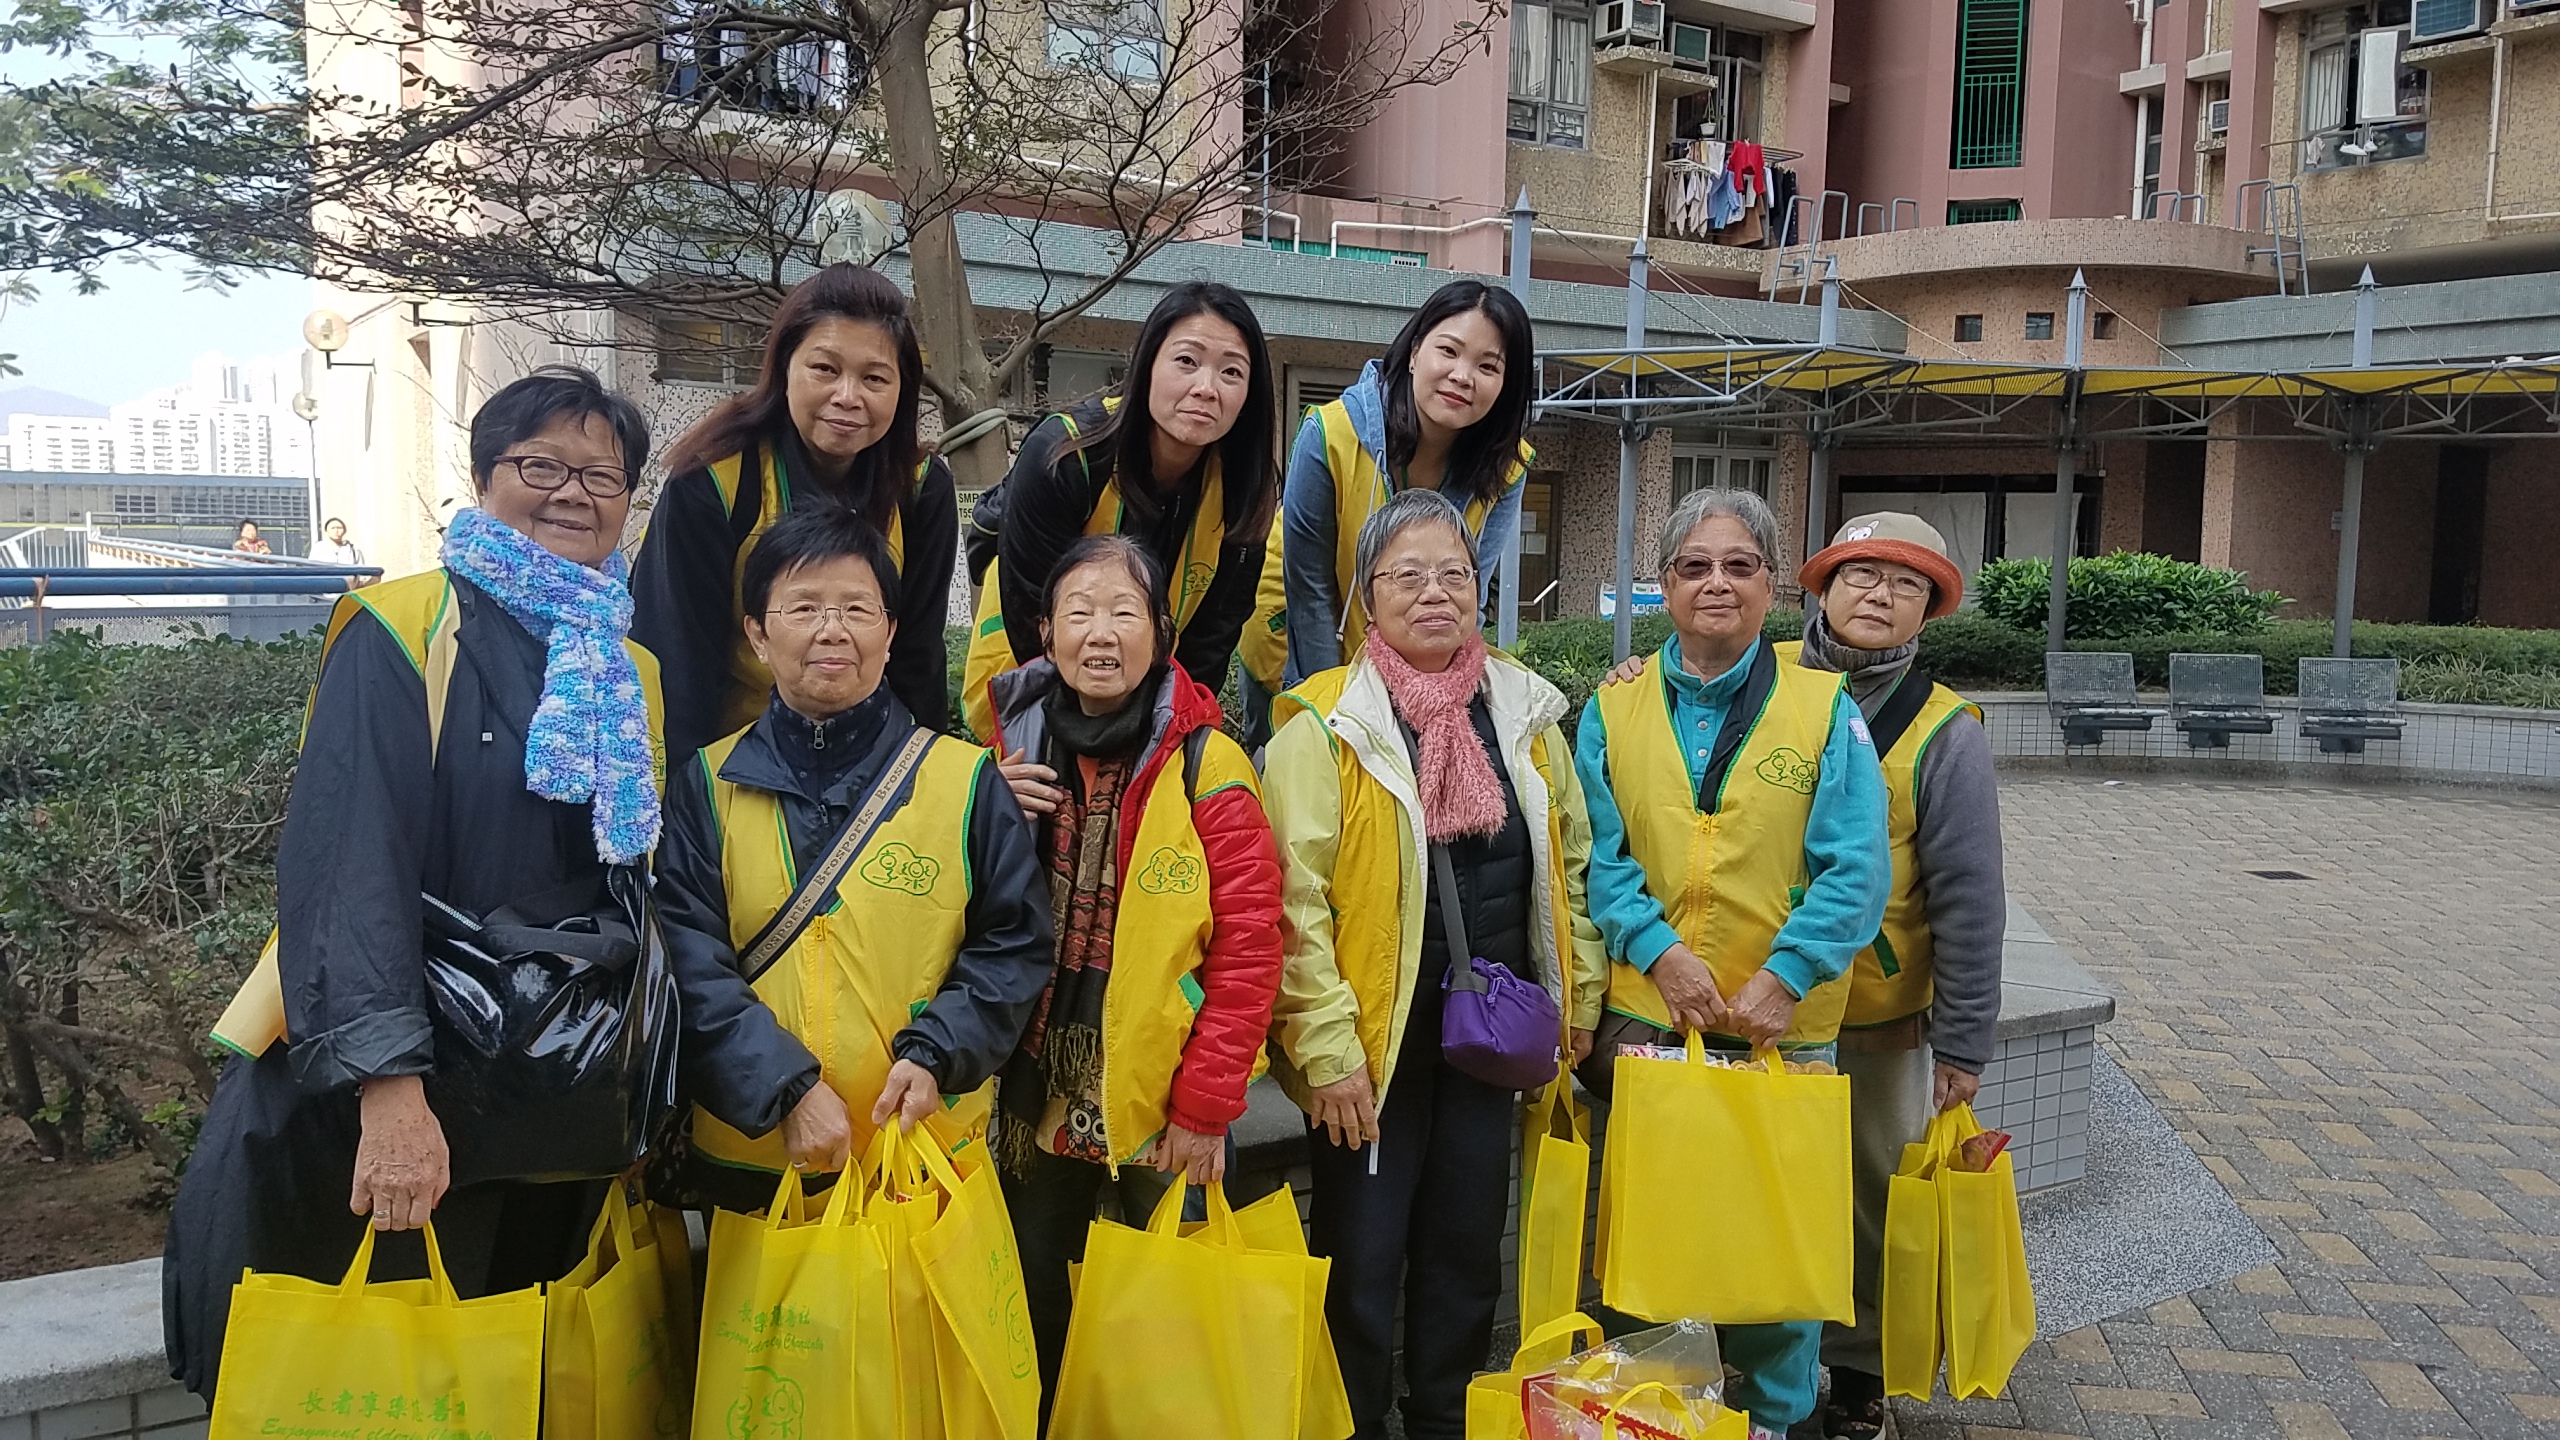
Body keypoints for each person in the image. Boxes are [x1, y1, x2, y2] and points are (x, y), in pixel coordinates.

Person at [165, 366, 669, 1398]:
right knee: (390, 1372)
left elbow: (630, 888)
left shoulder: (628, 669)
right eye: (542, 466)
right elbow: (349, 861)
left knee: (516, 1368)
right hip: (411, 1069)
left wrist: (636, 1082)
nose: (572, 494)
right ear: (485, 477)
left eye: (602, 476)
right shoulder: (402, 626)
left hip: (552, 1085)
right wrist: (389, 1092)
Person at [1263, 488, 1607, 1440]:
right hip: (1372, 1048)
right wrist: (1327, 1051)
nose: (1434, 593)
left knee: (1465, 1245)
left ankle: (1443, 1416)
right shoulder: (1325, 726)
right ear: (1366, 597)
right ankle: (1353, 1422)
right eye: (1406, 575)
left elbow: (1569, 864)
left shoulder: (1524, 712)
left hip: (1490, 1035)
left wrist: (1577, 994)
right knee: (1362, 1256)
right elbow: (1292, 905)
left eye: (1454, 573)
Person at [1572, 487, 1890, 1440]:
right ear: (1665, 585)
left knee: (1773, 1244)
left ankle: (1771, 1419)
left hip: (1779, 1027)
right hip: (1652, 1015)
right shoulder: (1613, 706)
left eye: (1740, 565)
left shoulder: (1824, 709)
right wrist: (1658, 952)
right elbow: (1598, 855)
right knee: (1653, 1236)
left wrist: (1786, 977)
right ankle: (1655, 1413)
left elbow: (1856, 868)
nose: (1718, 582)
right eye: (1695, 566)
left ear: (1773, 586)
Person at [654, 501, 1053, 1213]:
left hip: (919, 1159)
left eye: (857, 608)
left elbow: (1013, 946)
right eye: (804, 607)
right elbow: (688, 960)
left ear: (890, 632)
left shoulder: (964, 781)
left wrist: (937, 1054)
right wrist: (784, 1089)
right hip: (759, 1165)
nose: (831, 629)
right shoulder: (707, 785)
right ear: (757, 633)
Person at [982, 533, 1285, 1422]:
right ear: (1046, 631)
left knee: (1173, 1314)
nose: (1101, 633)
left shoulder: (1208, 762)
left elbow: (1249, 945)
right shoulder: (1010, 749)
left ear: (1161, 631)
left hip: (1163, 1088)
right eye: (1079, 612)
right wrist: (986, 811)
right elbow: (966, 915)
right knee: (1037, 1290)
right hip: (1039, 1084)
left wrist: (1207, 1105)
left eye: (1125, 611)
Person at [1787, 516, 2003, 1440]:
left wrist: (1963, 1042)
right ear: (1824, 588)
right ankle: (1759, 1356)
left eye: (1905, 584)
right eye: (1861, 574)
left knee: (1871, 1200)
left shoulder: (1945, 729)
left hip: (1875, 1018)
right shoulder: (1764, 678)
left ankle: (1857, 1374)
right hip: (1758, 1006)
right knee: (1766, 1188)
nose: (1879, 595)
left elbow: (1970, 897)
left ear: (1929, 609)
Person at [634, 263, 959, 761]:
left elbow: (918, 658)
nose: (847, 397)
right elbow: (675, 662)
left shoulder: (921, 488)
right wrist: (690, 796)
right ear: (784, 367)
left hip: (871, 762)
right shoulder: (714, 481)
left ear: (903, 389)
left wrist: (932, 777)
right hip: (735, 760)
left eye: (874, 378)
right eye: (825, 369)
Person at [959, 280, 1280, 740]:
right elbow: (1030, 618)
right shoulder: (1064, 456)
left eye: (1231, 372)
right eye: (1186, 362)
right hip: (1030, 682)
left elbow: (1212, 640)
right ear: (1147, 363)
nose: (1206, 388)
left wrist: (1167, 734)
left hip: (1151, 702)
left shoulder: (1243, 484)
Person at [1261, 278, 1536, 693]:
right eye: (1449, 351)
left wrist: (1445, 695)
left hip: (1409, 666)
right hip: (1296, 640)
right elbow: (1311, 596)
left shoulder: (1506, 468)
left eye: (1488, 367)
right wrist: (1330, 705)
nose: (1463, 376)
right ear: (1414, 353)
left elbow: (1470, 601)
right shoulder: (1329, 435)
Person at [310, 516, 368, 583]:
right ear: (326, 531)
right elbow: (312, 570)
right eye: (333, 528)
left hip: (348, 586)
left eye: (339, 528)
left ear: (344, 531)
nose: (336, 531)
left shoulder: (353, 549)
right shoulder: (319, 548)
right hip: (325, 585)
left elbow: (361, 572)